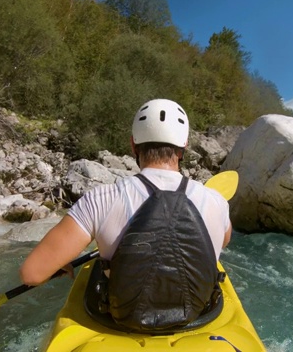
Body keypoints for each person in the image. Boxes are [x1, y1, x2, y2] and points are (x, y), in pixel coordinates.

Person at [19, 98, 232, 329]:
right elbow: (224, 241)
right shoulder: (217, 202)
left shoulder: (100, 199)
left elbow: (32, 274)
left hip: (121, 316)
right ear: (183, 148)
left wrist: (61, 261)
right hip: (195, 314)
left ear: (133, 145)